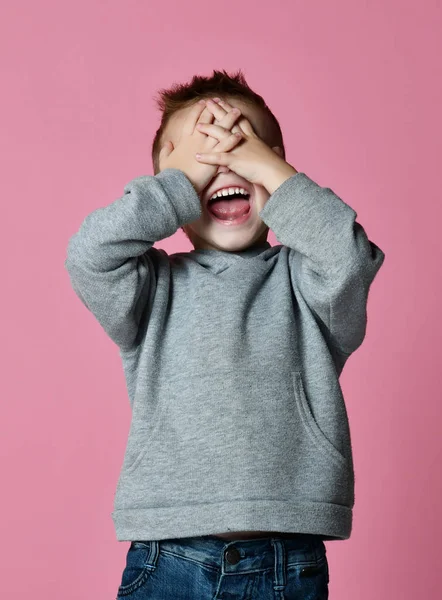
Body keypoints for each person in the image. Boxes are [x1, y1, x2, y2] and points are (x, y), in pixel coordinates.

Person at [64, 69, 386, 599]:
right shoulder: (149, 286)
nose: (222, 164)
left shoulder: (310, 282)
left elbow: (350, 256)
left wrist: (270, 169)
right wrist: (178, 180)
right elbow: (88, 256)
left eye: (241, 150)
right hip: (166, 553)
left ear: (275, 165)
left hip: (288, 558)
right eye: (201, 158)